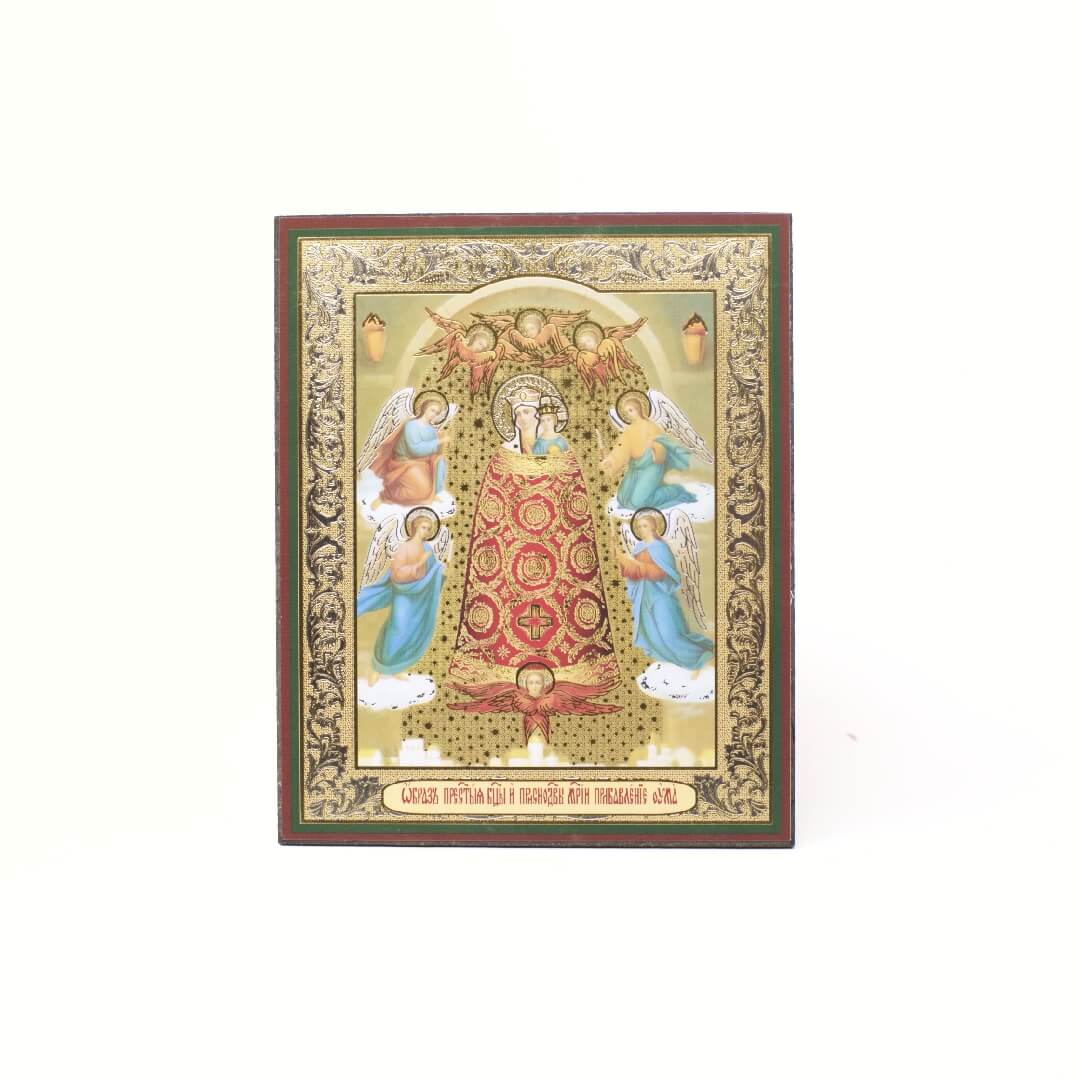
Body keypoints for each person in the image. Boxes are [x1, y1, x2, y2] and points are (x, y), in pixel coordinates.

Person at [614, 510, 713, 674]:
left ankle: (701, 657)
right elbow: (633, 573)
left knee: (670, 636)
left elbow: (662, 573)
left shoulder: (660, 547)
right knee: (654, 637)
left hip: (661, 596)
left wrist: (633, 564)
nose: (641, 529)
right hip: (644, 598)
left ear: (653, 527)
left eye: (645, 526)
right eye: (639, 526)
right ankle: (675, 667)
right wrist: (622, 562)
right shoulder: (638, 548)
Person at [355, 510, 446, 682]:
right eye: (423, 527)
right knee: (396, 629)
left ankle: (394, 668)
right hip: (403, 594)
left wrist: (440, 570)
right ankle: (377, 668)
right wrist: (418, 564)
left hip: (419, 597)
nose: (426, 531)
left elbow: (433, 572)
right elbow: (397, 573)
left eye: (428, 529)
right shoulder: (404, 547)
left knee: (410, 631)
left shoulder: (428, 549)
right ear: (415, 527)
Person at [600, 391, 696, 510]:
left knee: (638, 503)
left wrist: (653, 446)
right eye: (627, 412)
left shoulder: (650, 426)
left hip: (651, 465)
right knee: (623, 499)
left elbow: (662, 445)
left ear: (639, 409)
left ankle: (675, 491)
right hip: (636, 468)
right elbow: (621, 450)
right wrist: (610, 461)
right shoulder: (628, 430)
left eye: (631, 410)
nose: (629, 414)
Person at [370, 395, 450, 508]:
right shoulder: (411, 425)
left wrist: (440, 446)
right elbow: (415, 450)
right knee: (420, 491)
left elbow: (434, 450)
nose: (434, 414)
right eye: (432, 410)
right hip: (404, 463)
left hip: (423, 463)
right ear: (424, 408)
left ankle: (431, 494)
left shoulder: (431, 429)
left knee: (439, 462)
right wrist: (438, 442)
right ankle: (387, 496)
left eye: (437, 413)